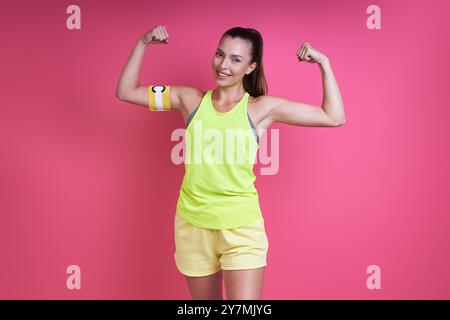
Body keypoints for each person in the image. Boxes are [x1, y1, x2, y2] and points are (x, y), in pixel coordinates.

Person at [115, 25, 346, 300]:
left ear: (251, 67)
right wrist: (142, 43)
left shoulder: (260, 108)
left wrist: (324, 64)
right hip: (193, 226)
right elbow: (127, 91)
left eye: (236, 59)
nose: (223, 65)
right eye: (220, 55)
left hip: (241, 229)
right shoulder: (189, 100)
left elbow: (333, 116)